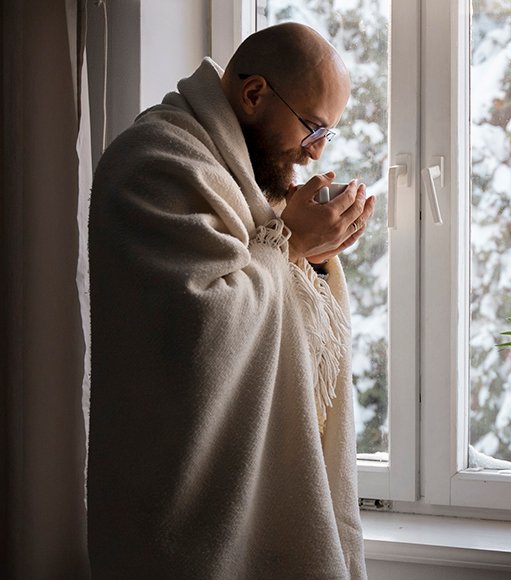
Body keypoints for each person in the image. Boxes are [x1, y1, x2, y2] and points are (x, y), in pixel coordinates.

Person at [87, 23, 373, 579]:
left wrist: (315, 252)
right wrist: (290, 245)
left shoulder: (248, 175)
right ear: (254, 94)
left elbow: (285, 304)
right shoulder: (156, 162)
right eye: (313, 127)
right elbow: (205, 331)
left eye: (327, 136)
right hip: (177, 516)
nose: (315, 153)